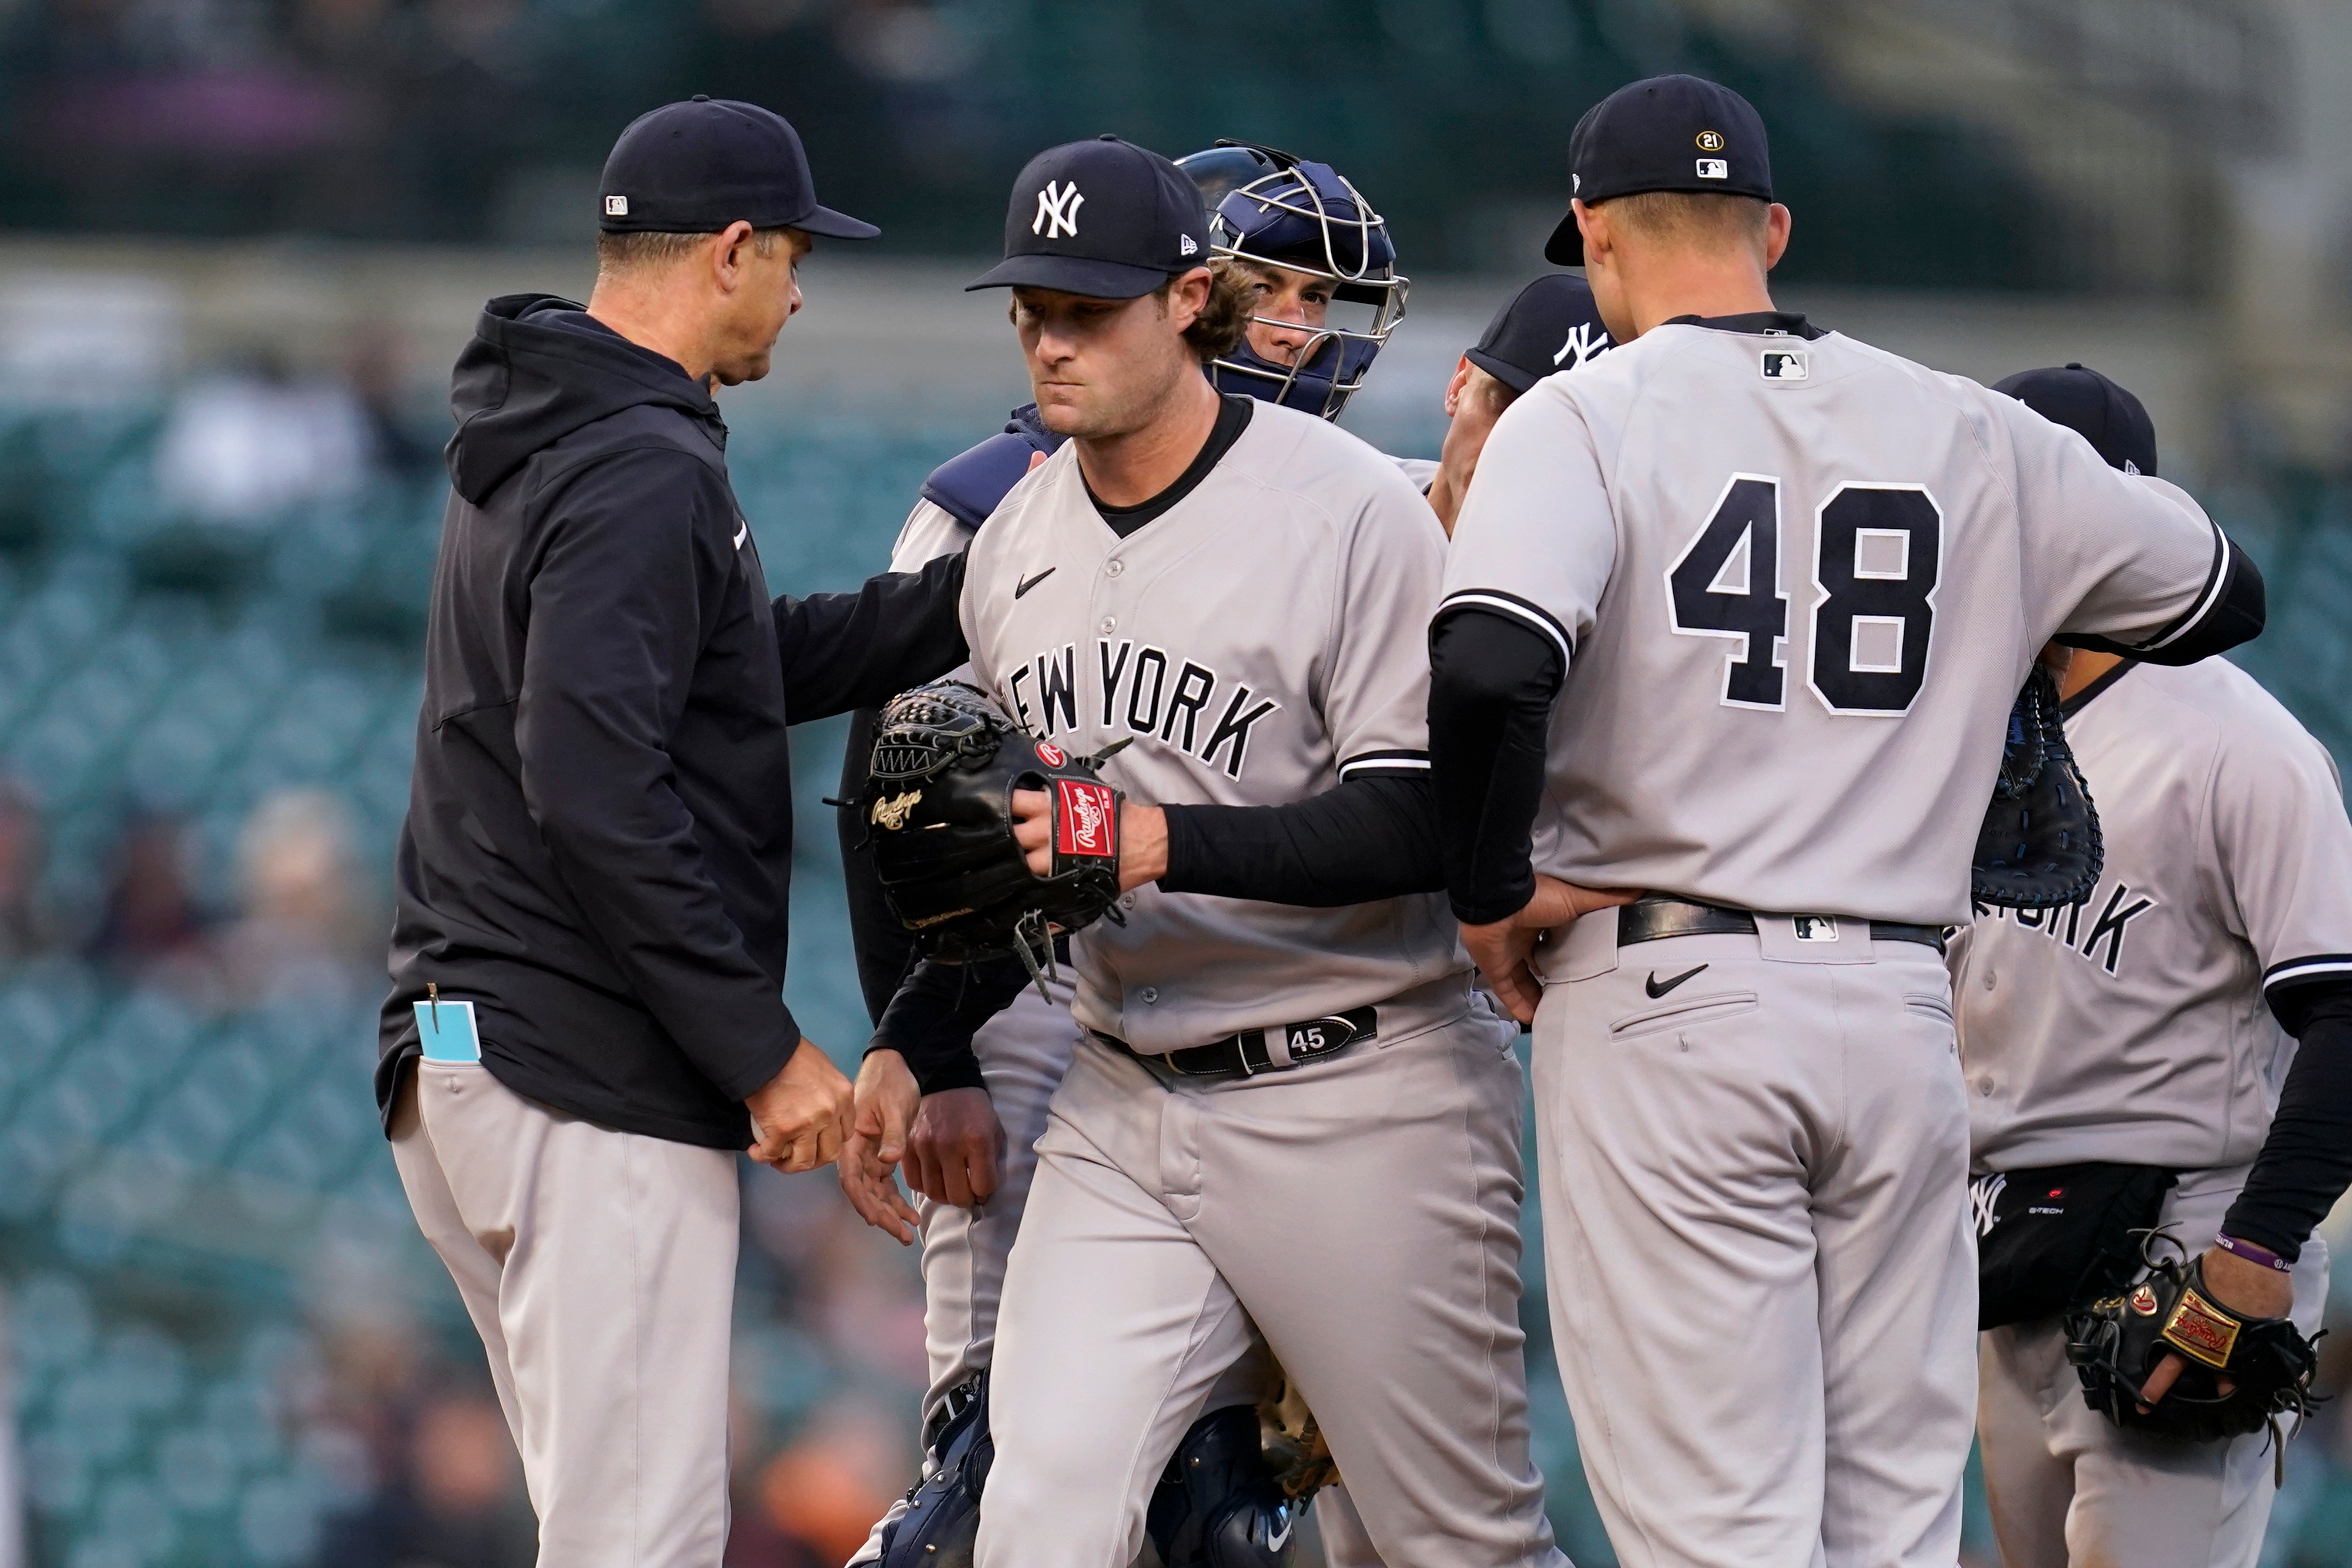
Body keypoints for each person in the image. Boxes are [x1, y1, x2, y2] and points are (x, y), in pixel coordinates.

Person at [1429, 73, 2266, 1568]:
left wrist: (1489, 887)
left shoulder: (1580, 414)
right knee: (1888, 1533)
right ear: (1774, 230)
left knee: (1715, 1533)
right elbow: (2218, 588)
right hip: (1895, 1010)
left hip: (1666, 999)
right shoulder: (1960, 424)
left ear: (1590, 236)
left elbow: (1491, 659)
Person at [843, 135, 1566, 1568]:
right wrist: (914, 1040)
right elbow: (1014, 854)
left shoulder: (1355, 510)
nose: (1054, 343)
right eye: (1033, 311)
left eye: (1089, 312)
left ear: (1186, 302)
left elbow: (1423, 819)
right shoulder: (1007, 543)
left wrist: (1162, 839)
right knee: (1030, 1525)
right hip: (1120, 1091)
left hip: (1359, 1090)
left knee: (1452, 1545)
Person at [377, 98, 969, 1568]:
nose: (800, 285)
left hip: (463, 1050)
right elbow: (590, 779)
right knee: (640, 1544)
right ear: (727, 251)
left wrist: (971, 595)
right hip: (579, 1070)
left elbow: (727, 667)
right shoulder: (641, 457)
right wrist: (757, 1050)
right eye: (789, 253)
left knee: (602, 1528)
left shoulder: (551, 424)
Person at [1959, 364, 2352, 1568]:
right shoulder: (1964, 731)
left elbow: (2345, 1009)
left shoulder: (2237, 743)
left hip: (2177, 1239)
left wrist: (2258, 1249)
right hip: (1997, 1236)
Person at [1423, 273, 1613, 532]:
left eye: (1559, 436)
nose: (1512, 446)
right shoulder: (1358, 513)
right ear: (1459, 385)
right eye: (1503, 408)